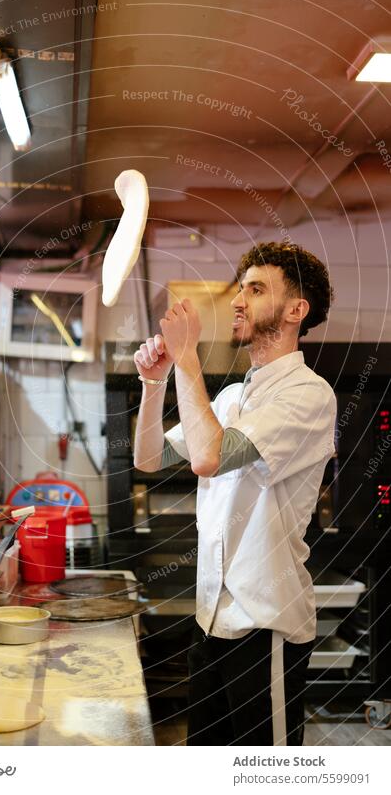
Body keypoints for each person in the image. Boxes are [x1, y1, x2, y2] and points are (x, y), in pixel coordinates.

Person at [133, 241, 337, 746]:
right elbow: (149, 459)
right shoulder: (229, 398)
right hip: (211, 621)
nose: (239, 300)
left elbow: (208, 457)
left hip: (262, 626)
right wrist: (153, 383)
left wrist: (186, 360)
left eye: (256, 288)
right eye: (240, 288)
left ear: (296, 311)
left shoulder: (309, 395)